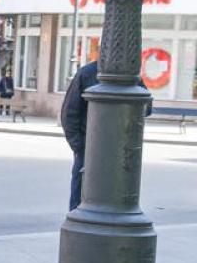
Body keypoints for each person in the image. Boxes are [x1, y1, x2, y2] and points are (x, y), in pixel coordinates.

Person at [60, 61, 151, 211]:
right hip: (91, 147)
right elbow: (69, 113)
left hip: (119, 148)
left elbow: (147, 107)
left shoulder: (130, 75)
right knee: (82, 193)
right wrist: (80, 147)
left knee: (115, 193)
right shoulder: (87, 73)